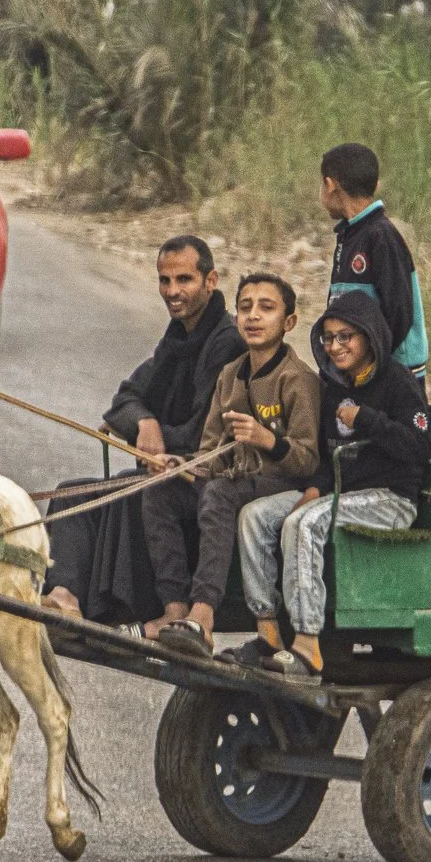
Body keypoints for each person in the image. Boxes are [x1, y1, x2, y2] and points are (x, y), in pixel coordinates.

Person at [227, 291, 431, 681]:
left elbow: (419, 448)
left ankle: (307, 644)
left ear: (368, 338)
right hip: (340, 493)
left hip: (390, 500)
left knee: (304, 523)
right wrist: (313, 490)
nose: (335, 347)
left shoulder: (397, 381)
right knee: (255, 516)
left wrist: (367, 419)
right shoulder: (334, 385)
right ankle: (268, 631)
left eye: (345, 338)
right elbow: (325, 452)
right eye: (328, 338)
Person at [43, 235, 244, 628]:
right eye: (164, 281)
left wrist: (158, 437)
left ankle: (129, 610)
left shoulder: (227, 342)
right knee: (71, 494)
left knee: (131, 491)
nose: (172, 292)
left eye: (184, 280)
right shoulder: (177, 337)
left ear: (211, 280)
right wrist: (144, 423)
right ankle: (63, 598)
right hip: (165, 464)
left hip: (199, 474)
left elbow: (205, 432)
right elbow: (126, 397)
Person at [140, 273, 321, 656]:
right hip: (232, 481)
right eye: (245, 307)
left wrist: (267, 440)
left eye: (266, 308)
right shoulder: (230, 375)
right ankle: (174, 608)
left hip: (280, 485)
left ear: (288, 323)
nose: (253, 317)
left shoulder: (298, 379)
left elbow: (307, 461)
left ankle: (203, 615)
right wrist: (183, 464)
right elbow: (212, 451)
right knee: (162, 490)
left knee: (220, 495)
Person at [320, 142, 429, 384]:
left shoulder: (381, 236)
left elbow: (399, 311)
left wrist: (375, 363)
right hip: (361, 370)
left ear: (330, 185)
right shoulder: (350, 235)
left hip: (393, 375)